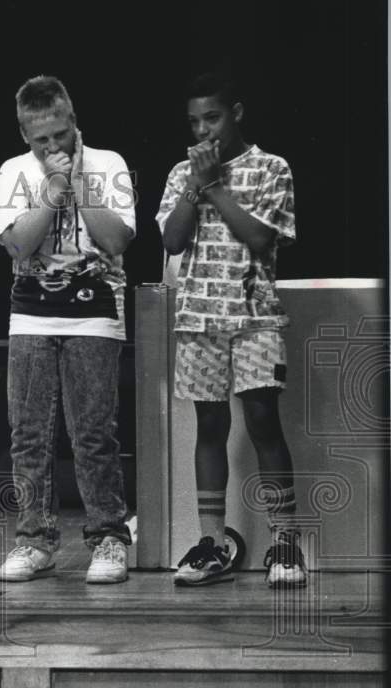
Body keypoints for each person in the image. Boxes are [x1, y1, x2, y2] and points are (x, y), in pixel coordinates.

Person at [157, 73, 306, 588]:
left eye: (212, 118)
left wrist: (216, 186)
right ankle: (213, 543)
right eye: (195, 122)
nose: (204, 131)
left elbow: (261, 239)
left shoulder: (271, 168)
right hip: (199, 317)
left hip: (255, 315)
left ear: (236, 112)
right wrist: (195, 186)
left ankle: (284, 543)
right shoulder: (183, 173)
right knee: (209, 428)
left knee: (263, 421)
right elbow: (174, 242)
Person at [0, 76, 136, 584]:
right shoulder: (14, 171)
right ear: (24, 135)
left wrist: (78, 185)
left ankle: (108, 539)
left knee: (93, 431)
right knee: (28, 433)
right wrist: (52, 193)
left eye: (60, 134)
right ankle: (34, 540)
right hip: (31, 311)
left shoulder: (108, 163)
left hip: (95, 309)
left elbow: (117, 239)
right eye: (40, 140)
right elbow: (18, 247)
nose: (53, 146)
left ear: (74, 122)